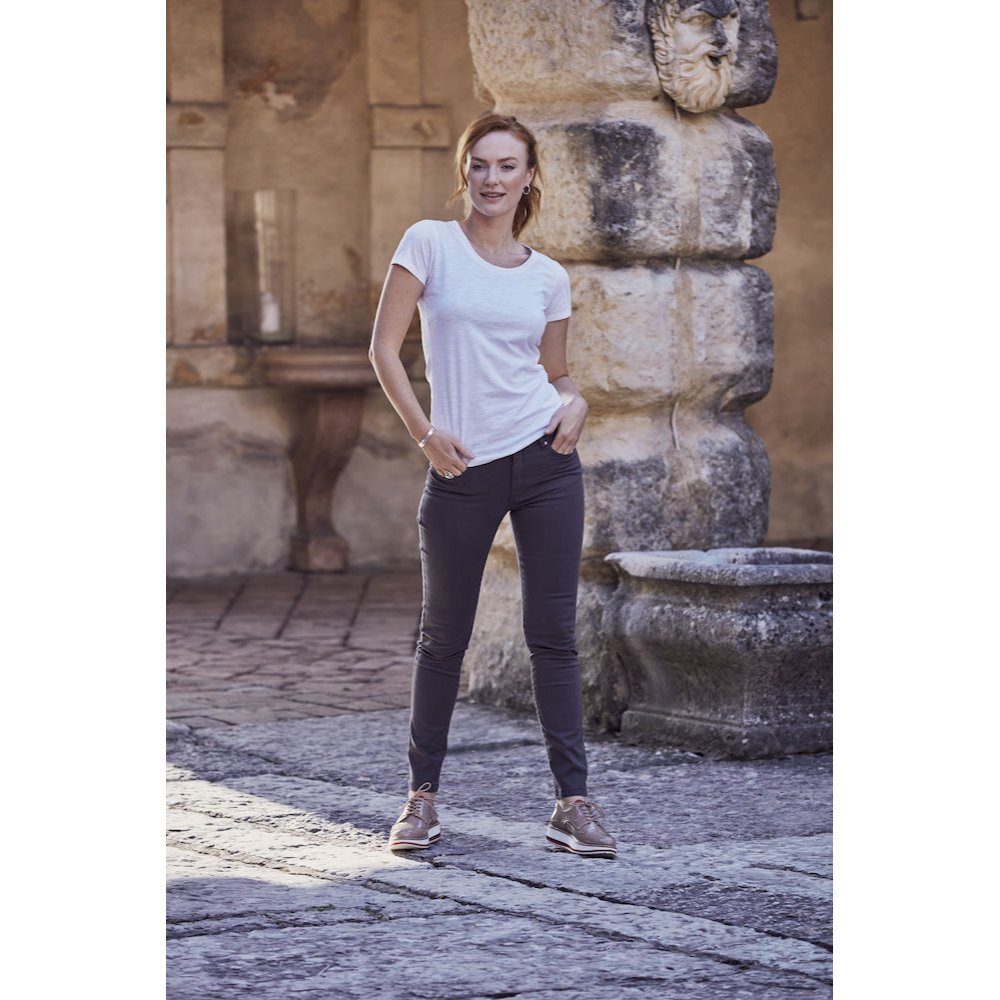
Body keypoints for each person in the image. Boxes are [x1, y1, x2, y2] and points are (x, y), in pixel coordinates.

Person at [368, 111, 616, 860]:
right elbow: (384, 348)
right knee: (442, 637)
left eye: (507, 165)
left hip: (546, 462)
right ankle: (421, 799)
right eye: (479, 164)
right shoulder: (429, 243)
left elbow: (557, 374)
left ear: (529, 177)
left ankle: (573, 804)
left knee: (553, 636)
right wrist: (424, 432)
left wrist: (577, 401)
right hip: (462, 466)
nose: (491, 178)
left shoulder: (548, 277)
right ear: (464, 171)